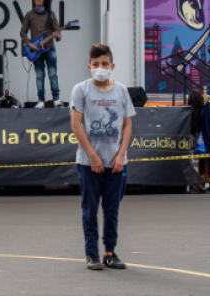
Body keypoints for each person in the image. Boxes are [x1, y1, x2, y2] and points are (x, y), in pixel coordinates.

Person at [70, 43, 135, 271]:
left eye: (104, 64)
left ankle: (110, 252)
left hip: (117, 163)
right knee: (89, 209)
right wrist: (92, 156)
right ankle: (91, 253)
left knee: (111, 209)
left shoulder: (122, 91)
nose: (100, 68)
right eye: (96, 64)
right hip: (89, 163)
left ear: (112, 66)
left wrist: (121, 155)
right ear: (90, 66)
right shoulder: (81, 90)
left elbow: (127, 126)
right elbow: (76, 126)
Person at [21, 0, 64, 108]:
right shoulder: (29, 14)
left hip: (49, 48)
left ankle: (56, 100)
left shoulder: (51, 14)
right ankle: (41, 100)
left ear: (45, 0)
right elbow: (23, 32)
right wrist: (29, 44)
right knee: (39, 76)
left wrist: (57, 36)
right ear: (34, 0)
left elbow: (58, 35)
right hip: (36, 50)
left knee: (53, 74)